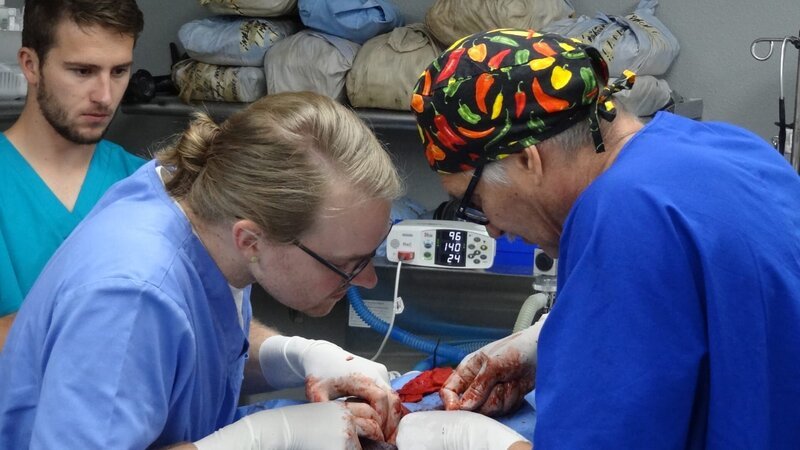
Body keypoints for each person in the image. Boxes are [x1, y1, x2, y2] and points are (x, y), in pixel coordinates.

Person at [397, 28, 800, 449]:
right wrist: (555, 341)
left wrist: (472, 440)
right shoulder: (730, 145)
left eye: (473, 200)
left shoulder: (624, 212)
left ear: (526, 159)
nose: (492, 229)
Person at [0, 91, 405, 449]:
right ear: (250, 241)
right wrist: (266, 438)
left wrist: (296, 356)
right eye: (347, 264)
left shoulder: (204, 203)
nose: (367, 280)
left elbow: (195, 339)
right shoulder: (129, 298)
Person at [0, 0, 147, 350]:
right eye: (82, 71)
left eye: (119, 72)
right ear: (31, 65)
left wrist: (286, 351)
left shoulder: (146, 185)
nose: (105, 96)